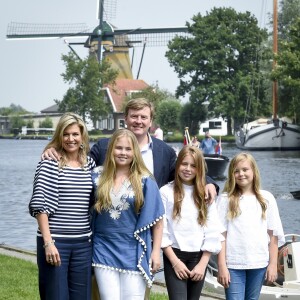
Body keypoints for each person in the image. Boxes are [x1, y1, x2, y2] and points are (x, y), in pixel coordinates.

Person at [42, 98, 219, 196]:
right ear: (126, 119)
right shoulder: (104, 146)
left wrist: (208, 183)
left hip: (150, 226)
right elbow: (76, 159)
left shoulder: (164, 151)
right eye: (134, 116)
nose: (138, 121)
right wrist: (55, 149)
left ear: (151, 121)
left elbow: (185, 171)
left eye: (143, 117)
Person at [28, 112, 96, 300]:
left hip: (83, 244)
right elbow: (40, 205)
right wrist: (48, 243)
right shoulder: (50, 162)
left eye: (75, 134)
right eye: (66, 134)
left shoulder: (89, 164)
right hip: (56, 242)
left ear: (82, 136)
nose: (70, 139)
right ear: (59, 136)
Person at [91, 129, 164, 299]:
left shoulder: (145, 180)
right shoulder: (96, 176)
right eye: (119, 148)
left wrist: (155, 253)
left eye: (128, 149)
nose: (123, 153)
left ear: (135, 152)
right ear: (111, 150)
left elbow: (158, 220)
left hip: (134, 250)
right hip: (103, 248)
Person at [216, 152, 285, 300]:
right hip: (233, 264)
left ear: (254, 171)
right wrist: (222, 266)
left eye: (245, 169)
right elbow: (220, 235)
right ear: (231, 174)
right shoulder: (225, 200)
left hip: (259, 263)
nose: (241, 174)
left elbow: (274, 234)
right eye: (236, 171)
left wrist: (273, 264)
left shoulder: (266, 198)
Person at [160, 146, 223, 300]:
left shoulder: (206, 194)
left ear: (199, 168)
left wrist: (203, 263)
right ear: (177, 165)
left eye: (193, 166)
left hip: (198, 258)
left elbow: (212, 230)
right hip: (174, 256)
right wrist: (175, 262)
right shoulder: (165, 192)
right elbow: (161, 230)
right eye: (184, 164)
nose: (188, 169)